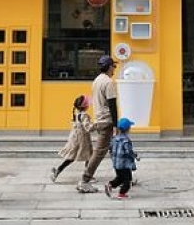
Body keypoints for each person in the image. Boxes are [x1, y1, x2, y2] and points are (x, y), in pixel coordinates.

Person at [77, 55, 118, 193]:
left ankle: (124, 176)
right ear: (109, 67)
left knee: (115, 149)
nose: (114, 70)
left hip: (99, 119)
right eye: (114, 67)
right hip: (107, 121)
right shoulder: (108, 82)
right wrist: (116, 125)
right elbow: (112, 106)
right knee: (99, 152)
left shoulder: (96, 81)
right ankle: (84, 180)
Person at [51, 94, 94, 182]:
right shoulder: (84, 115)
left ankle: (58, 170)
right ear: (85, 106)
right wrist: (96, 126)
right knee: (89, 156)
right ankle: (87, 175)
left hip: (75, 138)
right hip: (83, 139)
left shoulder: (76, 113)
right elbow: (88, 127)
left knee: (71, 157)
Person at [104, 117, 138, 200]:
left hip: (116, 164)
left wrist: (114, 159)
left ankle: (110, 185)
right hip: (124, 165)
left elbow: (110, 149)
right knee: (128, 180)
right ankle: (122, 194)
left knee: (120, 178)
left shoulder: (114, 139)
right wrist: (134, 156)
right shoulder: (126, 140)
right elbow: (128, 151)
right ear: (128, 129)